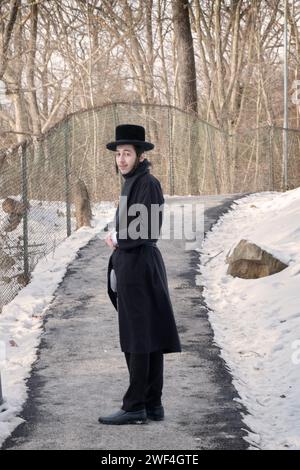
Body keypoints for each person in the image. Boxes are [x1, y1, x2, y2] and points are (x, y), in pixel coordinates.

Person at [99, 124, 181, 425]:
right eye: (118, 154)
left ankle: (135, 405)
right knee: (148, 335)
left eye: (127, 153)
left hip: (139, 265)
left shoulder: (146, 183)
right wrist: (117, 233)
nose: (121, 159)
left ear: (139, 154)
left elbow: (146, 228)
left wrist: (119, 239)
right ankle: (151, 404)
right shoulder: (132, 181)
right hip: (135, 264)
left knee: (138, 338)